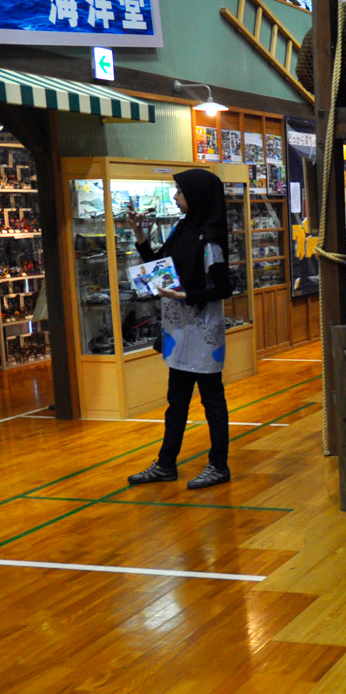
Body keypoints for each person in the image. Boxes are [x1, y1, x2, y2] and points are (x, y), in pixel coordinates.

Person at [124, 169, 233, 489]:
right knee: (176, 402)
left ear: (196, 195)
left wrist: (184, 296)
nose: (175, 197)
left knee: (212, 402)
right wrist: (140, 235)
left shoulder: (210, 239)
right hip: (178, 330)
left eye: (180, 192)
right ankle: (165, 464)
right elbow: (159, 266)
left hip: (203, 331)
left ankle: (219, 465)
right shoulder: (182, 229)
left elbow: (223, 288)